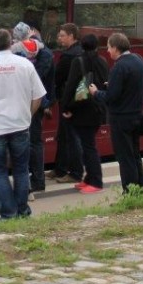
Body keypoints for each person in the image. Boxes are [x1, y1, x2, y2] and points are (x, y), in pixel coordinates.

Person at [0, 28, 45, 221]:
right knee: (21, 170)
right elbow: (39, 95)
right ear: (11, 43)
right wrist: (28, 114)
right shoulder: (25, 64)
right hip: (20, 125)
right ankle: (22, 211)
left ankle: (7, 214)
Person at [90, 32, 143, 193]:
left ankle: (129, 193)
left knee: (125, 158)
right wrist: (113, 84)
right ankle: (140, 191)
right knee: (135, 155)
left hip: (121, 118)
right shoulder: (139, 60)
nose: (107, 51)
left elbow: (111, 98)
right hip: (137, 114)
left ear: (115, 47)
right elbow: (136, 86)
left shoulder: (119, 66)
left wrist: (96, 93)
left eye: (108, 47)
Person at [60, 33, 109, 192]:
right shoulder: (102, 61)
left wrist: (66, 107)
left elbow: (71, 86)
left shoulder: (78, 61)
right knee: (88, 144)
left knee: (88, 147)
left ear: (82, 45)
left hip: (83, 110)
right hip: (97, 107)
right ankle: (88, 178)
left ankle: (96, 181)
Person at [12, 22, 54, 195]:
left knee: (22, 142)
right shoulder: (46, 53)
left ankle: (30, 181)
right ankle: (38, 179)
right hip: (38, 101)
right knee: (35, 141)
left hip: (21, 100)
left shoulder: (14, 53)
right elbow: (48, 80)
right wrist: (46, 103)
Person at [49, 23, 85, 184]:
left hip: (67, 99)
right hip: (77, 99)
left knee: (71, 136)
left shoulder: (69, 56)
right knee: (64, 135)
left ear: (71, 36)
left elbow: (58, 77)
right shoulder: (81, 52)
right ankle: (60, 168)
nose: (59, 38)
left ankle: (76, 172)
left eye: (62, 35)